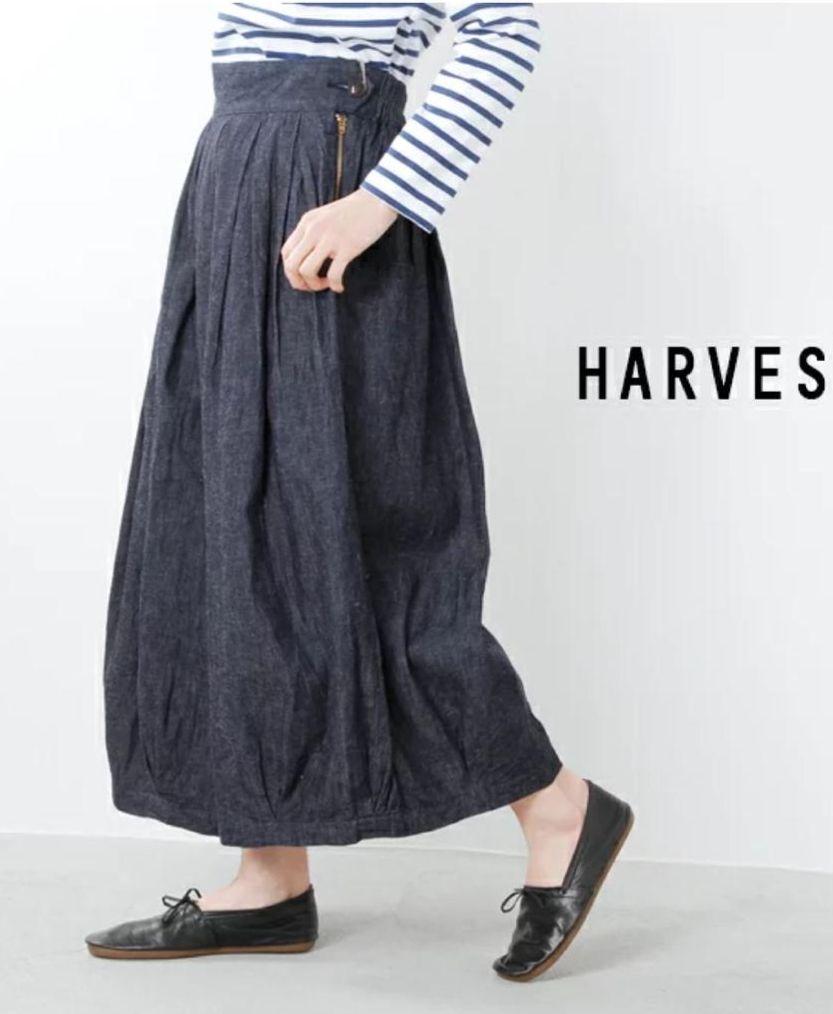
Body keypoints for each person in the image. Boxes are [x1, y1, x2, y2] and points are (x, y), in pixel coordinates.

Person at [85, 2, 632, 981]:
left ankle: (557, 806)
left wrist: (381, 200)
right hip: (239, 170)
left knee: (367, 542)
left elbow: (504, 28)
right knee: (230, 528)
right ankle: (269, 875)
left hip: (328, 180)